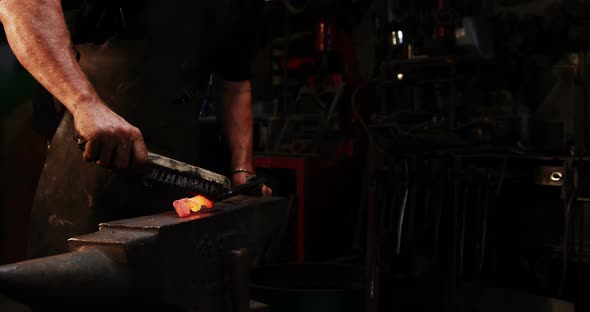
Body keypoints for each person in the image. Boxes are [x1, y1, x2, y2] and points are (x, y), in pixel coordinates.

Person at [0, 0, 272, 258]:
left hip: (174, 159)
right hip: (82, 144)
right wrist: (85, 103)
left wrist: (242, 171)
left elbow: (234, 86)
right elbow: (23, 5)